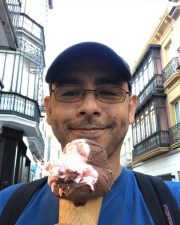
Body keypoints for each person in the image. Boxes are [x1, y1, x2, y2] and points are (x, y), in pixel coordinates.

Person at [0, 42, 180, 225]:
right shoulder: (6, 205)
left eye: (109, 92)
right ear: (49, 110)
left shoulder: (174, 202)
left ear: (131, 109)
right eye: (70, 93)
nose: (89, 107)